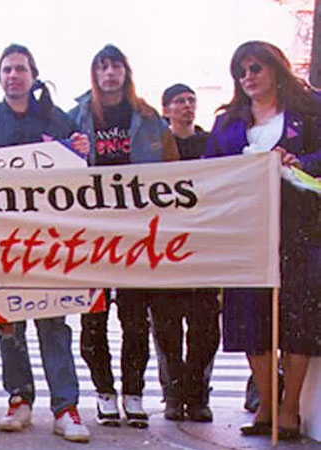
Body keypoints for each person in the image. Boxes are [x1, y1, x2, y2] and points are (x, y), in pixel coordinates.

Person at [0, 44, 91, 443]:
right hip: (0, 245)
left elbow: (84, 180)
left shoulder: (59, 120)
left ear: (33, 76)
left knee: (54, 324)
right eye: (7, 69)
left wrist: (83, 152)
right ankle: (19, 399)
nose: (14, 75)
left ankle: (65, 406)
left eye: (20, 69)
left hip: (49, 244)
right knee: (8, 324)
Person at [205, 40, 321, 441]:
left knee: (298, 320)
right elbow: (210, 170)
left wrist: (299, 163)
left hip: (300, 228)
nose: (249, 76)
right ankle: (266, 406)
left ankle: (290, 411)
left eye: (256, 67)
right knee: (251, 321)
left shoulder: (310, 111)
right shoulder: (228, 122)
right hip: (247, 231)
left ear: (275, 68)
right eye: (242, 71)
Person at [68, 44, 179, 429]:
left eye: (116, 65)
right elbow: (57, 169)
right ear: (94, 74)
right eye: (102, 66)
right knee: (93, 321)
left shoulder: (149, 119)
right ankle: (104, 394)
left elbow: (173, 173)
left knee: (135, 321)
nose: (110, 72)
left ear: (125, 72)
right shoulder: (76, 117)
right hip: (91, 234)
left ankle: (134, 394)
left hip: (136, 234)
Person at [150, 83, 219, 422]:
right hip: (164, 251)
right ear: (165, 109)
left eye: (191, 100)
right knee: (166, 328)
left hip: (204, 250)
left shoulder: (211, 146)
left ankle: (199, 394)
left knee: (205, 327)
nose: (187, 106)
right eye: (179, 101)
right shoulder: (154, 148)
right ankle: (173, 395)